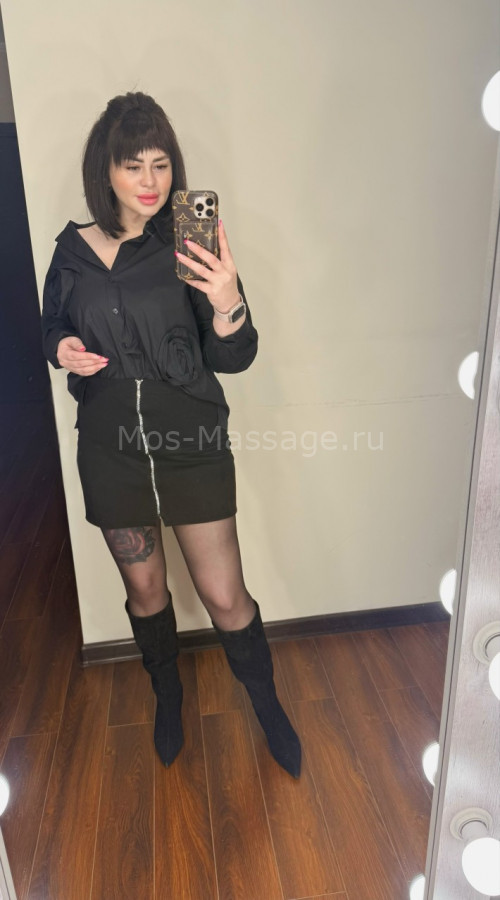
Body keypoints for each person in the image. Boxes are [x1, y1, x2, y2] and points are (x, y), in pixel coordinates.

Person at [41, 91, 301, 778]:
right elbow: (52, 326)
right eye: (133, 165)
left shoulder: (188, 240)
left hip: (191, 442)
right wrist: (62, 347)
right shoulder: (72, 251)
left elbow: (233, 357)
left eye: (160, 163)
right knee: (147, 592)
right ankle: (168, 697)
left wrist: (227, 302)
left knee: (224, 594)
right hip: (110, 448)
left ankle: (269, 706)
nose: (150, 180)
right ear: (106, 170)